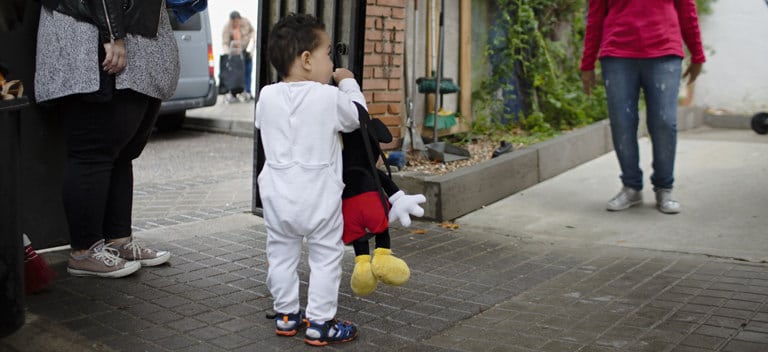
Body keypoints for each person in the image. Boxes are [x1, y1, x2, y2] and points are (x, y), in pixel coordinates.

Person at [35, 0, 177, 278]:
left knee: (121, 152)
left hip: (125, 41)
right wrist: (113, 36)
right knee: (92, 151)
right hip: (93, 42)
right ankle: (84, 252)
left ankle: (118, 242)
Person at [255, 13, 363, 346]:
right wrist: (347, 81)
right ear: (306, 60)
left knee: (282, 256)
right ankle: (320, 322)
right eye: (328, 53)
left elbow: (266, 127)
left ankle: (287, 315)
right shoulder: (328, 98)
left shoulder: (266, 96)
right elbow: (358, 116)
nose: (331, 62)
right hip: (318, 198)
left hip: (277, 197)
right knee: (325, 258)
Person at [580, 0, 705, 214]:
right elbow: (595, 15)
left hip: (664, 51)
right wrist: (587, 62)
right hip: (617, 54)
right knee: (622, 122)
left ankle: (664, 187)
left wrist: (697, 54)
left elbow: (687, 8)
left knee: (664, 121)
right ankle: (631, 187)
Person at [222, 10, 255, 102]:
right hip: (235, 54)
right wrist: (229, 56)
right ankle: (234, 92)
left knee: (248, 72)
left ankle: (247, 92)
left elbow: (252, 32)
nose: (236, 23)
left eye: (237, 21)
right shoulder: (227, 28)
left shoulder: (246, 22)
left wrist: (252, 45)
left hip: (246, 51)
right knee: (237, 75)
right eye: (234, 21)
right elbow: (225, 43)